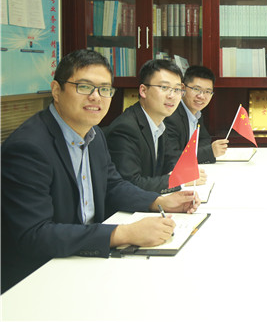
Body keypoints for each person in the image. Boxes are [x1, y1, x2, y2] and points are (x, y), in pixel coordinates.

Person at [1, 49, 200, 293]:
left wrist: (159, 201)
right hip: (38, 278)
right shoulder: (29, 147)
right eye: (84, 87)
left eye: (105, 89)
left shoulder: (94, 135)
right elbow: (35, 234)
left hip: (83, 261)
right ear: (56, 90)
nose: (96, 97)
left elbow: (113, 185)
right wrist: (122, 233)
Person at [105, 59, 207, 193]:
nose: (172, 96)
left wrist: (184, 171)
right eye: (164, 87)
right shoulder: (126, 128)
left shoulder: (160, 123)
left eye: (177, 89)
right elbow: (129, 184)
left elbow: (169, 160)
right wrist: (177, 179)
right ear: (143, 90)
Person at [164, 65, 228, 165]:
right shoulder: (171, 116)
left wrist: (193, 153)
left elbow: (204, 139)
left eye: (207, 91)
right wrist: (209, 152)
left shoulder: (196, 113)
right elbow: (172, 158)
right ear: (183, 88)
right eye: (196, 89)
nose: (201, 96)